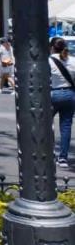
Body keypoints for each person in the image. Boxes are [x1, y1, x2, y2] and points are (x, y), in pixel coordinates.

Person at [49, 37, 74, 168]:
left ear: (52, 47)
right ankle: (63, 158)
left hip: (54, 93)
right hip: (70, 94)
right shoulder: (72, 60)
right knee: (66, 127)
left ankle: (46, 152)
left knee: (45, 123)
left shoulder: (49, 60)